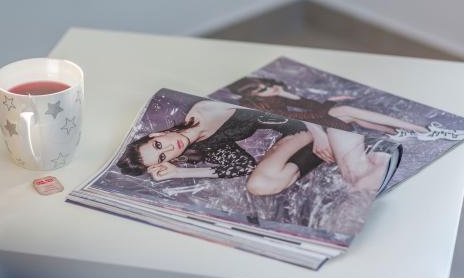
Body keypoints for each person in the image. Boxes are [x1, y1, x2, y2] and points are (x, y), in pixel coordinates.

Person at [117, 100, 390, 195]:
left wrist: (317, 130)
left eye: (158, 144)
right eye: (163, 156)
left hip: (308, 118)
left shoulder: (204, 109)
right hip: (297, 134)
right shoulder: (206, 143)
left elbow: (275, 103)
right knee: (259, 185)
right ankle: (349, 148)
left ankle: (343, 142)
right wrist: (179, 173)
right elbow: (242, 167)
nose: (169, 148)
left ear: (157, 133)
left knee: (357, 177)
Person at [226, 77, 464, 141]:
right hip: (306, 133)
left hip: (317, 124)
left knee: (348, 113)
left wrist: (288, 94)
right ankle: (425, 130)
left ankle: (399, 132)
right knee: (345, 110)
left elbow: (311, 107)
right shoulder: (261, 106)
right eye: (263, 89)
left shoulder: (274, 95)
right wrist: (330, 103)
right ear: (253, 95)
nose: (271, 88)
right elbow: (310, 116)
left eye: (268, 84)